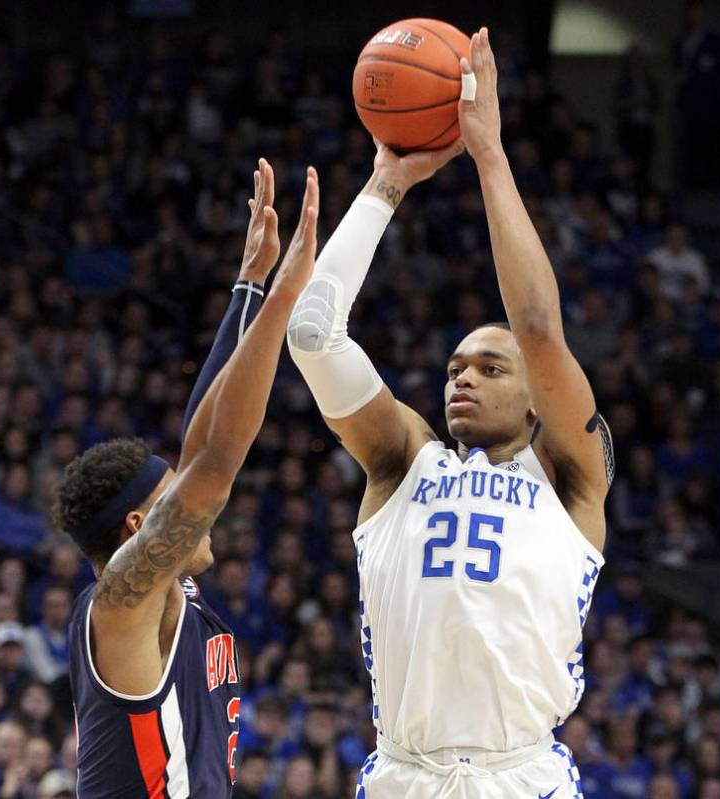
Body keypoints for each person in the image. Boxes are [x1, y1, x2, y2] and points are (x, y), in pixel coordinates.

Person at [287, 28, 613, 798]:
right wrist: (384, 186)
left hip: (521, 776)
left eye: (489, 367)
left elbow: (537, 327)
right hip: (405, 773)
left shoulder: (569, 476)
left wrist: (489, 156)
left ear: (537, 395)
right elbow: (311, 333)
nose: (461, 377)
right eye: (454, 366)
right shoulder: (403, 461)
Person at [51, 160, 318, 797]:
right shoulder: (122, 603)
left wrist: (249, 286)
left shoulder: (165, 588)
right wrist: (285, 300)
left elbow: (202, 436)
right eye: (175, 497)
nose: (200, 503)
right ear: (142, 528)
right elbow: (219, 460)